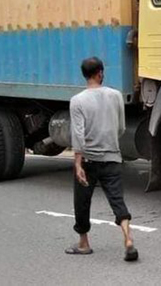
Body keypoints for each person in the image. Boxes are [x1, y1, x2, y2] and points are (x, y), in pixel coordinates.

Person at [66, 57, 138, 262]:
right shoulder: (115, 95)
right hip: (112, 157)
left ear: (85, 75)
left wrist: (77, 163)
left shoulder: (77, 101)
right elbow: (121, 127)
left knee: (82, 201)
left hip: (88, 160)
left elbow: (78, 134)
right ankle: (128, 239)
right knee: (117, 200)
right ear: (100, 73)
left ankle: (84, 244)